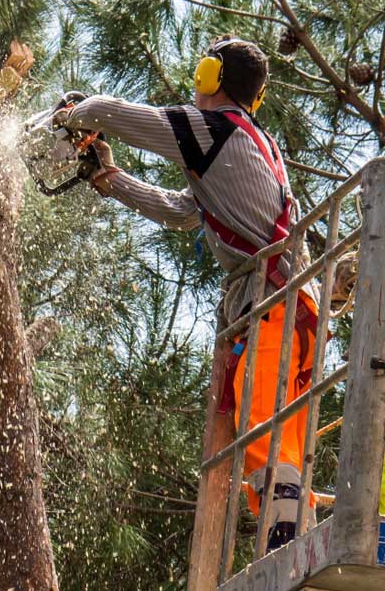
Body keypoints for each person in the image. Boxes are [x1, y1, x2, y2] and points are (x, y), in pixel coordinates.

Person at [52, 35, 319, 553]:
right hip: (290, 304)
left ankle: (287, 552)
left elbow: (117, 113)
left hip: (273, 303)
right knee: (282, 436)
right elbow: (181, 210)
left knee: (264, 434)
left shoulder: (213, 129)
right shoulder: (245, 143)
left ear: (211, 76)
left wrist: (72, 114)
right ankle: (295, 544)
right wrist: (109, 177)